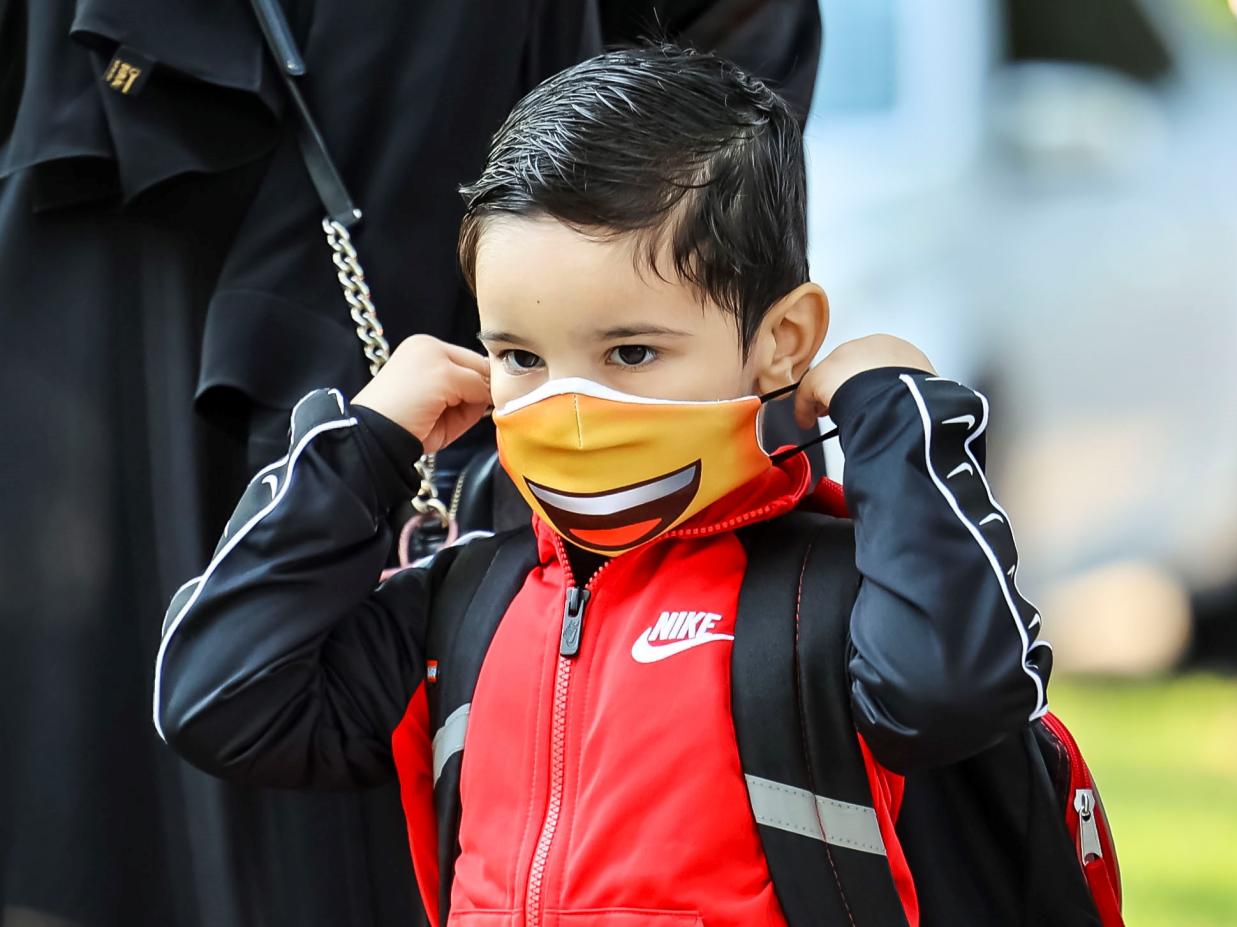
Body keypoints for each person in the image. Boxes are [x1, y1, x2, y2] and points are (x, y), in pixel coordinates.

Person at [153, 45, 1052, 926]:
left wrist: (896, 419)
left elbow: (953, 693)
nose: (570, 404)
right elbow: (220, 700)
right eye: (521, 357)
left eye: (630, 352)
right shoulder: (465, 604)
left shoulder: (843, 597)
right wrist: (365, 446)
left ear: (782, 341)